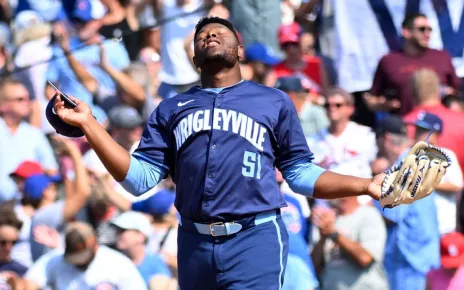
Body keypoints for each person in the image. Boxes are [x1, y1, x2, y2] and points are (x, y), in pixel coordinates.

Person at [52, 16, 388, 290]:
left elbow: (300, 174)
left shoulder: (273, 101)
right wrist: (89, 124)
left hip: (255, 236)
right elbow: (139, 179)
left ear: (240, 51)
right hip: (193, 242)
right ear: (194, 59)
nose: (211, 35)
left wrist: (365, 184)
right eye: (202, 36)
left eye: (221, 33)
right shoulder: (171, 108)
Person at [368, 13, 460, 116]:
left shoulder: (442, 57)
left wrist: (450, 94)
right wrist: (385, 105)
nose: (427, 33)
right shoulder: (389, 61)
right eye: (422, 29)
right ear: (406, 32)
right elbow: (373, 99)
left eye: (429, 29)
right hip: (405, 126)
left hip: (442, 125)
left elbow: (457, 91)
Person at [17, 222, 147, 290]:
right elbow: (30, 281)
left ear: (94, 246)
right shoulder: (55, 258)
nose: (77, 262)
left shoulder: (118, 264)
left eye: (81, 256)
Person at [112, 211, 174, 287]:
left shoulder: (155, 264)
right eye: (117, 230)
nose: (117, 234)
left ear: (141, 236)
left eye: (123, 230)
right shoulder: (113, 262)